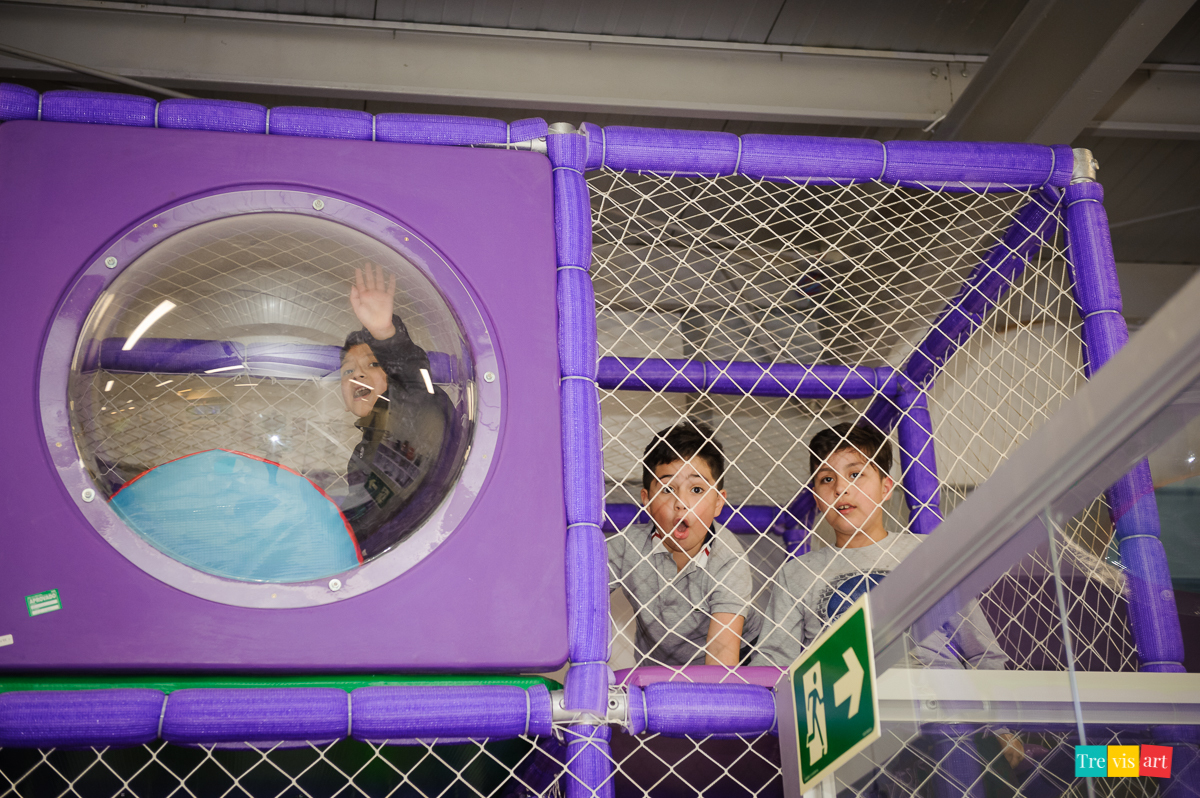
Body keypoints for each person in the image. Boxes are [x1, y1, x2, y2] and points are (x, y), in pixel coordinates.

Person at [754, 421, 1023, 773]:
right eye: (826, 479)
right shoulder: (797, 573)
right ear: (816, 498)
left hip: (938, 709)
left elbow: (980, 649)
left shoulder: (927, 553)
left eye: (856, 474)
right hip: (846, 718)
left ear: (885, 488)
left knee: (960, 759)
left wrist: (1001, 726)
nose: (841, 489)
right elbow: (775, 663)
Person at [607, 419, 759, 668]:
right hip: (656, 666)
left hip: (738, 661)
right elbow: (580, 596)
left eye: (696, 490)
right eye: (668, 489)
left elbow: (721, 659)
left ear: (718, 503)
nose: (681, 503)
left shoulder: (729, 560)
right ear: (647, 499)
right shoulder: (627, 546)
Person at [339, 263, 450, 559]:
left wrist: (385, 333)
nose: (356, 375)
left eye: (372, 365)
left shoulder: (415, 409)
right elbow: (363, 523)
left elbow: (414, 380)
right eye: (347, 371)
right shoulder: (362, 455)